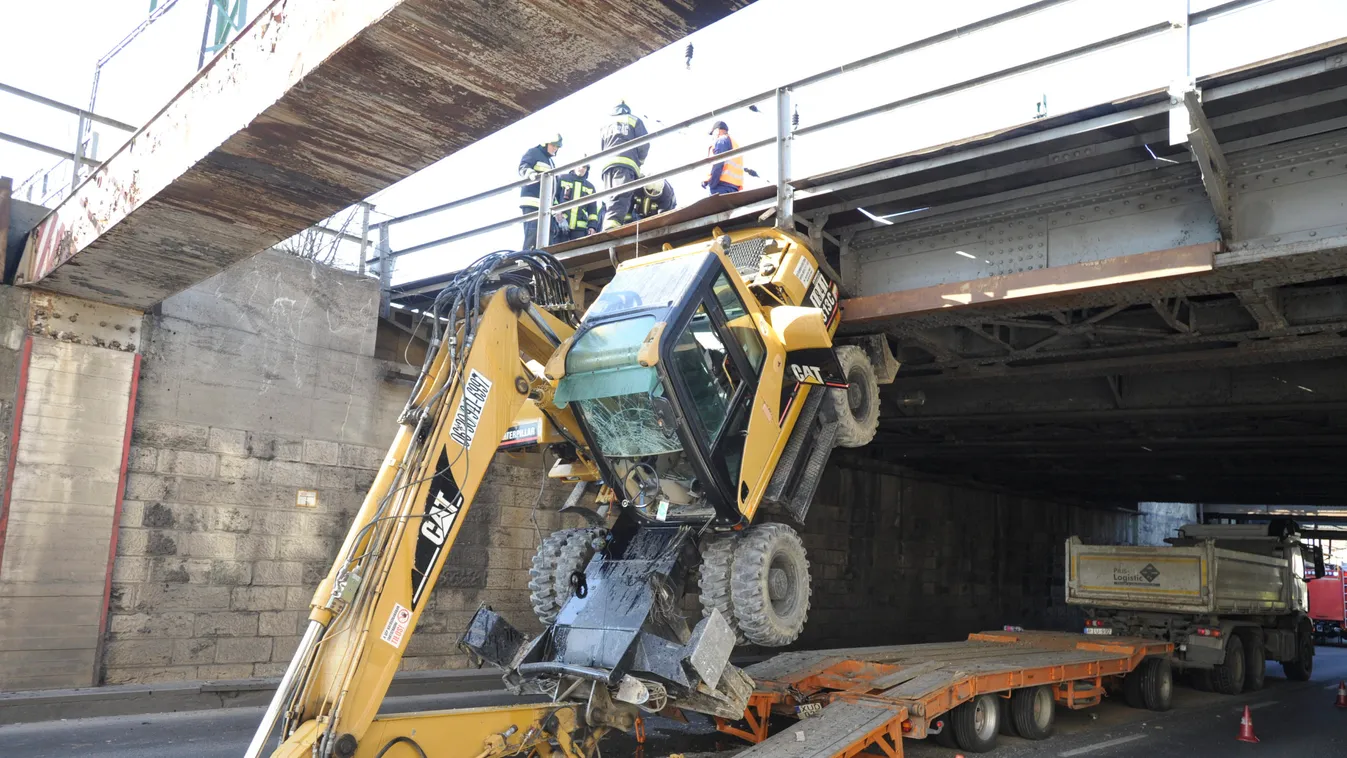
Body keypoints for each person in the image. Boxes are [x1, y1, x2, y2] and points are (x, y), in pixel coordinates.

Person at [599, 101, 649, 230]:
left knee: (610, 196)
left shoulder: (605, 124)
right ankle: (612, 224)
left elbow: (602, 146)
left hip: (607, 166)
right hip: (626, 163)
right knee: (623, 194)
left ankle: (609, 222)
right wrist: (640, 161)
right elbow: (644, 144)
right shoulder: (634, 120)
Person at [518, 134, 563, 248]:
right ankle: (528, 260)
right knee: (533, 233)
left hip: (546, 206)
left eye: (557, 146)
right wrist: (530, 174)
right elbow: (523, 166)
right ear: (545, 143)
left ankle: (545, 260)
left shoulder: (550, 162)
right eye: (553, 145)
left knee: (549, 234)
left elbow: (554, 189)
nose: (555, 148)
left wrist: (556, 208)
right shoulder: (534, 152)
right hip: (532, 202)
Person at [556, 164, 600, 241]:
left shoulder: (590, 187)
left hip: (579, 229)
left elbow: (592, 211)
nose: (581, 168)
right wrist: (557, 214)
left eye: (584, 167)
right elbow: (552, 198)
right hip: (561, 224)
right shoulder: (562, 179)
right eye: (579, 166)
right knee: (558, 250)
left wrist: (592, 227)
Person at [702, 120, 743, 195]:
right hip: (734, 188)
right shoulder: (735, 144)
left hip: (720, 186)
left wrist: (712, 183)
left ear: (717, 131)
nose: (713, 137)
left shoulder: (721, 140)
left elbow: (718, 163)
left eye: (713, 133)